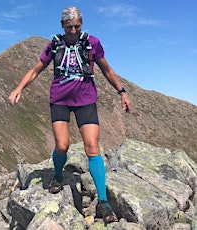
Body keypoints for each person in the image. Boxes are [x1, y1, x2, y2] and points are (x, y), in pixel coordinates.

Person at [8, 6, 131, 225]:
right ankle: (57, 175)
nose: (73, 31)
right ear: (62, 26)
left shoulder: (92, 43)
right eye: (69, 27)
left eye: (77, 26)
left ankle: (103, 201)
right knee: (62, 146)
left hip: (86, 100)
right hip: (59, 100)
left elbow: (107, 69)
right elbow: (36, 69)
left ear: (81, 25)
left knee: (92, 147)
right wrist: (19, 88)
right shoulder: (55, 44)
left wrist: (122, 92)